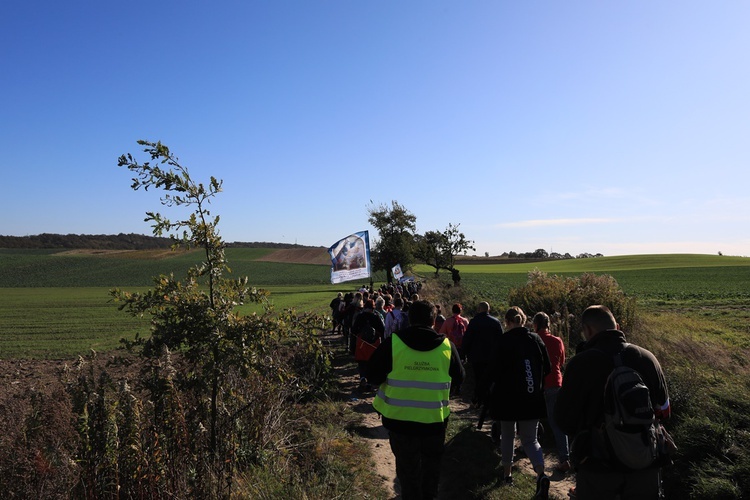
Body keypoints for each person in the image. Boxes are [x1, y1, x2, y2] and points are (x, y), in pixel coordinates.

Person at [554, 305, 671, 500]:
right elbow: (665, 411)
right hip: (645, 463)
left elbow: (564, 420)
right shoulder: (647, 358)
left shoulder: (580, 364)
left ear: (588, 330)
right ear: (617, 327)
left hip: (597, 468)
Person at [366, 300, 465, 500]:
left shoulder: (393, 343)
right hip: (434, 423)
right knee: (431, 471)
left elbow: (373, 375)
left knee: (407, 472)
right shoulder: (447, 346)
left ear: (409, 319)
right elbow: (459, 379)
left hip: (400, 423)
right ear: (433, 320)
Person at [488, 306, 551, 496]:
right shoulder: (536, 339)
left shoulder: (503, 341)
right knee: (530, 440)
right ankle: (541, 474)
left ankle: (507, 475)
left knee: (507, 436)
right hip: (531, 397)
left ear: (507, 322)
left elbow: (493, 371)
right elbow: (547, 368)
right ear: (524, 321)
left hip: (507, 399)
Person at [533, 312, 571, 473]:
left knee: (531, 417)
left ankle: (531, 446)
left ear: (535, 325)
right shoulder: (557, 341)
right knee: (557, 423)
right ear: (548, 325)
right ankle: (564, 458)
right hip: (555, 382)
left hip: (537, 384)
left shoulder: (534, 340)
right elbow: (561, 361)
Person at [461, 301, 503, 407]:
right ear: (488, 309)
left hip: (477, 356)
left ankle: (479, 400)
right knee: (490, 380)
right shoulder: (496, 322)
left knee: (479, 379)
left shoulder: (474, 322)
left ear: (479, 309)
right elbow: (501, 340)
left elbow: (467, 339)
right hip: (491, 357)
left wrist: (463, 353)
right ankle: (488, 401)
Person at [352, 299, 386, 391]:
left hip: (362, 343)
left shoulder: (360, 316)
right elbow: (383, 330)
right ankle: (371, 382)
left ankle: (363, 379)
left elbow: (354, 330)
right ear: (373, 307)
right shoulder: (376, 317)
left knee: (362, 363)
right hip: (374, 344)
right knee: (373, 363)